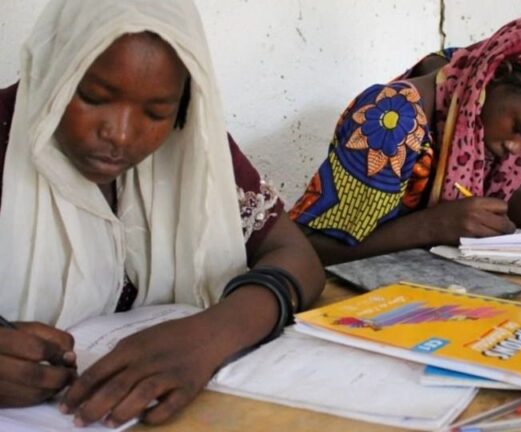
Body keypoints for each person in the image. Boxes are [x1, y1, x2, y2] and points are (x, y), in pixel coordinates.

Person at [0, 0, 324, 427]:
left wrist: (214, 333)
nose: (119, 133)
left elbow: (294, 253)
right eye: (93, 97)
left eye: (155, 112)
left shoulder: (190, 145)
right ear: (54, 69)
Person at [290, 16, 521, 266]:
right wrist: (431, 226)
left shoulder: (477, 110)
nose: (519, 149)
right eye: (520, 128)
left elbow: (503, 205)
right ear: (495, 75)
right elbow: (308, 247)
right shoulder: (392, 119)